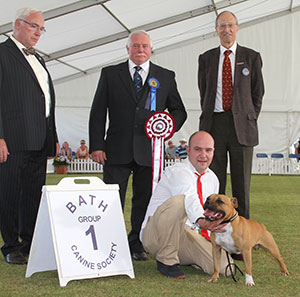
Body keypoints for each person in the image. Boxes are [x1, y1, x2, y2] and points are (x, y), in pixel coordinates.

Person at [89, 30, 187, 261]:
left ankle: (136, 243)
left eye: (144, 46)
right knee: (112, 199)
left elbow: (179, 110)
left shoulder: (166, 76)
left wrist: (164, 127)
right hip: (115, 149)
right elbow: (98, 112)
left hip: (149, 151)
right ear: (127, 49)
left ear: (151, 49)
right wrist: (96, 145)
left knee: (143, 199)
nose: (140, 50)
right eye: (135, 46)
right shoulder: (110, 74)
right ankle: (108, 240)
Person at [0, 7, 58, 265]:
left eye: (41, 28)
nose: (38, 32)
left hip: (39, 138)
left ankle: (29, 242)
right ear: (17, 24)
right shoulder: (2, 54)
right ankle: (11, 245)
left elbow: (46, 100)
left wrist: (52, 134)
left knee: (33, 194)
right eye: (34, 26)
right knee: (9, 194)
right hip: (12, 139)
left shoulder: (40, 59)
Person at [198, 11, 264, 219]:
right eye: (222, 26)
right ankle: (215, 230)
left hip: (242, 127)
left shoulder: (251, 57)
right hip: (214, 124)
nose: (226, 30)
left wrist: (249, 116)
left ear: (237, 28)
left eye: (230, 25)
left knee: (241, 184)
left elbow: (258, 92)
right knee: (214, 182)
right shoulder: (206, 58)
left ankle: (241, 235)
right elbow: (204, 92)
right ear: (216, 30)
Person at [141, 131, 230, 279]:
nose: (203, 155)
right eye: (197, 149)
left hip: (187, 234)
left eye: (208, 150)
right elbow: (190, 198)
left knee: (224, 268)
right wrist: (202, 221)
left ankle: (186, 258)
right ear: (188, 150)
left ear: (214, 151)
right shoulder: (177, 171)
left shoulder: (213, 179)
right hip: (156, 235)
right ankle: (166, 260)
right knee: (179, 201)